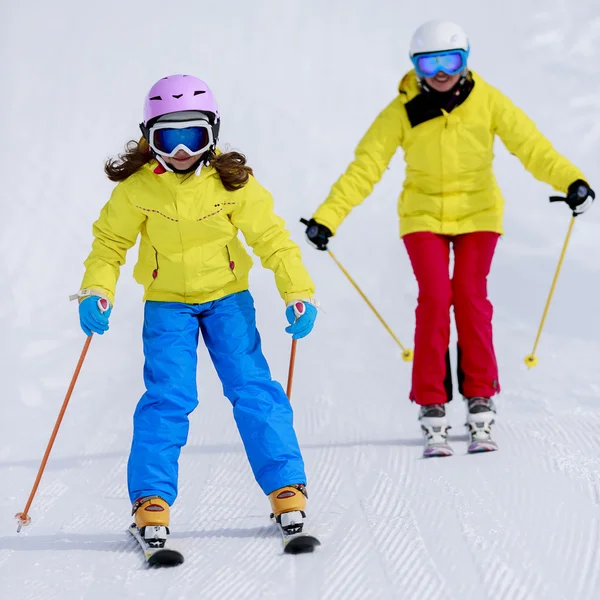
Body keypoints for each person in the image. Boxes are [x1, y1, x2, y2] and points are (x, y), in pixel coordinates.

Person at [303, 20, 594, 457]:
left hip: (479, 215)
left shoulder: (488, 102)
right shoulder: (401, 111)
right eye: (430, 62)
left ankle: (480, 397)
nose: (441, 72)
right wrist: (328, 218)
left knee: (471, 297)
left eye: (451, 61)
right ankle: (432, 403)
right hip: (422, 217)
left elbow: (531, 145)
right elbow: (365, 167)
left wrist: (572, 180)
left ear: (466, 61)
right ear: (415, 66)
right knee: (437, 299)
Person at [73, 74, 318, 545]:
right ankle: (151, 499)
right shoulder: (137, 189)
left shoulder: (232, 182)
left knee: (252, 389)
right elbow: (109, 245)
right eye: (169, 136)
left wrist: (298, 292)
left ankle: (286, 487)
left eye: (193, 136)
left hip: (228, 299)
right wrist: (95, 290)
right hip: (168, 306)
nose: (182, 149)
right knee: (169, 398)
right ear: (149, 137)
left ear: (213, 133)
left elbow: (272, 240)